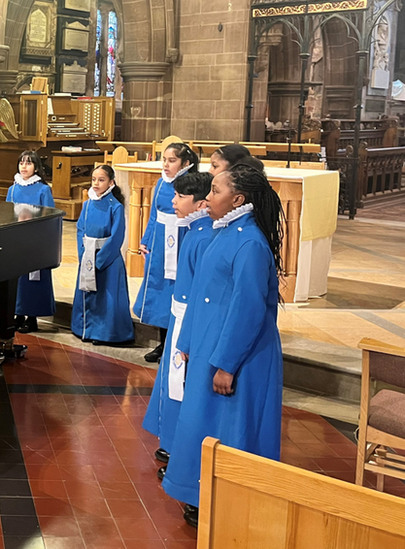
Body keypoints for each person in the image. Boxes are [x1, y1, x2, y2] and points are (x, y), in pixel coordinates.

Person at [161, 164, 285, 527]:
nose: (209, 198)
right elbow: (202, 294)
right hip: (208, 345)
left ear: (239, 199)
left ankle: (227, 498)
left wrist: (228, 364)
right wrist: (184, 342)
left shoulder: (249, 243)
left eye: (215, 191)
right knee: (201, 423)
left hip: (238, 355)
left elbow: (248, 310)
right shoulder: (224, 232)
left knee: (230, 427)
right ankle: (200, 492)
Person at [142, 171, 214, 475]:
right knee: (171, 386)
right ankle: (170, 439)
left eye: (180, 196)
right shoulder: (194, 231)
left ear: (199, 203)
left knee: (181, 386)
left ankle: (180, 450)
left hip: (189, 321)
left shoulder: (204, 236)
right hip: (179, 316)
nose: (173, 201)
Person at [134, 143, 198, 363]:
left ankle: (178, 343)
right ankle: (162, 343)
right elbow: (154, 215)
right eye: (164, 160)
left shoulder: (191, 185)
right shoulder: (161, 183)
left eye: (172, 160)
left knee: (178, 291)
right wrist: (146, 240)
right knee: (161, 292)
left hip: (180, 240)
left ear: (186, 163)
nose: (166, 165)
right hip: (161, 243)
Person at [71, 165, 134, 345]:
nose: (96, 183)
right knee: (89, 292)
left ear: (111, 182)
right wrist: (84, 254)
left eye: (101, 180)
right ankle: (85, 328)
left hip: (108, 261)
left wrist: (100, 259)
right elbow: (80, 229)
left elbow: (117, 236)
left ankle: (104, 333)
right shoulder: (87, 204)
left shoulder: (116, 207)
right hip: (88, 256)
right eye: (93, 179)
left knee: (106, 296)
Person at [7, 150, 55, 333]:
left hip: (35, 242)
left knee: (33, 281)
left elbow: (49, 216)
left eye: (28, 163)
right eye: (21, 163)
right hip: (16, 241)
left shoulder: (43, 189)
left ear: (36, 167)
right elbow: (5, 215)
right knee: (17, 280)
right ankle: (18, 314)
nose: (24, 166)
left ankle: (32, 317)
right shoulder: (13, 189)